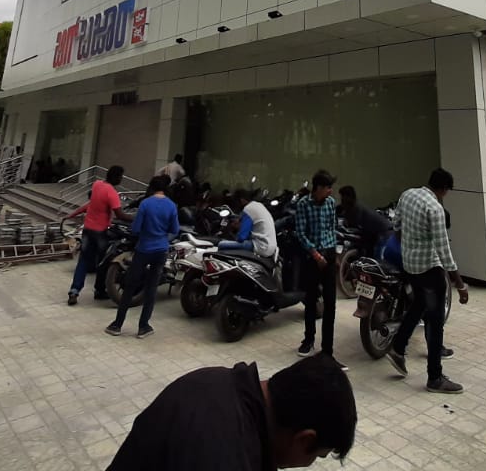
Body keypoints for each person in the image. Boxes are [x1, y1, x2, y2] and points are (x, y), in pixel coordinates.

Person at [106, 353, 356, 470]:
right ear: (305, 440)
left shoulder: (213, 378)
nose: (307, 465)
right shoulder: (231, 457)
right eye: (317, 457)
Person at [386, 168, 469, 394]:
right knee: (435, 321)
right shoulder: (435, 208)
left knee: (419, 305)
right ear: (444, 189)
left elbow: (397, 226)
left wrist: (411, 247)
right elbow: (444, 251)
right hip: (430, 270)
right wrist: (460, 284)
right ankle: (435, 377)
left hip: (410, 265)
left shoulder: (407, 195)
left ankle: (398, 347)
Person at [106, 174, 180, 338]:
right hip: (161, 251)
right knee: (151, 288)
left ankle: (117, 325)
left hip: (144, 249)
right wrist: (163, 238)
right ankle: (144, 327)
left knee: (130, 286)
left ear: (152, 187)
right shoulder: (171, 205)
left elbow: (136, 229)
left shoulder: (146, 204)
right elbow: (174, 230)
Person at [64, 165, 134, 305]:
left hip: (88, 229)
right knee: (103, 262)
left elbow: (91, 205)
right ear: (116, 177)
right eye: (120, 177)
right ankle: (99, 291)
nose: (121, 179)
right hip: (100, 232)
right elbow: (120, 214)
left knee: (83, 261)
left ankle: (74, 291)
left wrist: (72, 214)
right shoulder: (112, 193)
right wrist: (137, 218)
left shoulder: (97, 184)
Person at [294, 170, 342, 367]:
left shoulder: (330, 203)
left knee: (330, 303)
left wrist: (334, 255)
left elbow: (332, 228)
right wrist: (315, 254)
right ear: (318, 188)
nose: (330, 191)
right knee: (311, 300)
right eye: (328, 188)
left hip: (328, 255)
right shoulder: (303, 204)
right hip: (312, 257)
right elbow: (300, 233)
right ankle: (308, 340)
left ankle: (327, 350)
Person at [219, 186, 277, 258]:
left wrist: (236, 229)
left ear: (242, 200)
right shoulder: (259, 205)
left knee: (221, 244)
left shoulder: (248, 209)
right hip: (271, 247)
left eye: (237, 202)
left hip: (261, 246)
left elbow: (242, 237)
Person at [338, 186, 391, 261]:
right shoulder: (354, 207)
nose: (341, 201)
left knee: (376, 258)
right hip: (376, 231)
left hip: (383, 233)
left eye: (342, 198)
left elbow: (360, 227)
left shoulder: (357, 209)